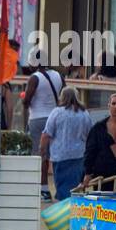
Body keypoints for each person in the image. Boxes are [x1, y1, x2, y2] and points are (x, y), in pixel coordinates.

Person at [41, 85, 92, 201]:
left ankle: (64, 210)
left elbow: (46, 134)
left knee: (62, 185)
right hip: (79, 155)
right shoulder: (84, 113)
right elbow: (90, 135)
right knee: (76, 186)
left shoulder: (57, 112)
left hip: (60, 155)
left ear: (62, 97)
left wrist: (43, 150)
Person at [23, 60, 63, 201]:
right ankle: (61, 188)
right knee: (56, 154)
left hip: (37, 118)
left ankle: (44, 190)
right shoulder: (58, 75)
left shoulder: (35, 77)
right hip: (55, 117)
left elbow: (26, 100)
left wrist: (24, 101)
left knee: (41, 155)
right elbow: (62, 95)